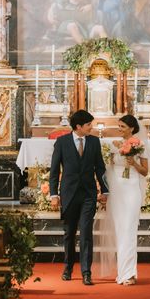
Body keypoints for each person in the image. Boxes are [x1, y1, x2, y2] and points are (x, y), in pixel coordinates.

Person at [49, 109, 109, 286]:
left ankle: (86, 272)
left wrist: (104, 191)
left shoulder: (94, 142)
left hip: (88, 194)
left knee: (86, 233)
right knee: (69, 234)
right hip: (68, 194)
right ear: (78, 126)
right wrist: (53, 194)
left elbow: (100, 168)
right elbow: (54, 171)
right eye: (89, 125)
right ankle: (67, 268)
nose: (92, 127)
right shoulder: (61, 142)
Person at [96, 115, 148, 285]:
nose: (120, 129)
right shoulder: (114, 145)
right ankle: (123, 273)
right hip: (117, 190)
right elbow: (109, 168)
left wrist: (133, 162)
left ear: (132, 128)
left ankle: (129, 274)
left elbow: (145, 171)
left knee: (129, 230)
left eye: (123, 126)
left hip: (132, 189)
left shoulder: (141, 146)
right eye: (119, 126)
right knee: (120, 231)